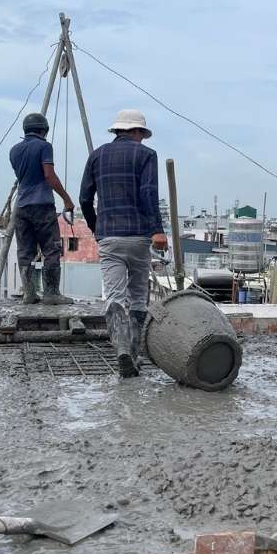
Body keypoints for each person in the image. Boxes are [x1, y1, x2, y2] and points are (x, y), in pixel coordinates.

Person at [79, 109, 169, 377]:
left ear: (118, 130)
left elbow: (85, 198)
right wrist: (157, 230)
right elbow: (148, 192)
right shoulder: (146, 155)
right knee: (138, 296)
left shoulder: (97, 156)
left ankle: (120, 350)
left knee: (114, 296)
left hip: (109, 237)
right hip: (139, 236)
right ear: (138, 131)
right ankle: (133, 352)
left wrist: (96, 227)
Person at [9, 112, 75, 305]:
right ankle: (51, 293)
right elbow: (49, 175)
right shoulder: (44, 146)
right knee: (51, 249)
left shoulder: (14, 150)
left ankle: (29, 294)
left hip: (21, 206)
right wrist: (67, 199)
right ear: (44, 130)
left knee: (25, 251)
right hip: (42, 205)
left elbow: (23, 176)